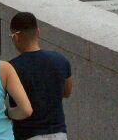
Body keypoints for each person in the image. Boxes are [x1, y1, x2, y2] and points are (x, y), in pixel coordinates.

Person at [9, 12, 72, 140]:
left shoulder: (11, 68)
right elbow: (67, 92)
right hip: (59, 134)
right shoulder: (61, 60)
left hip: (27, 135)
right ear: (38, 32)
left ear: (16, 37)